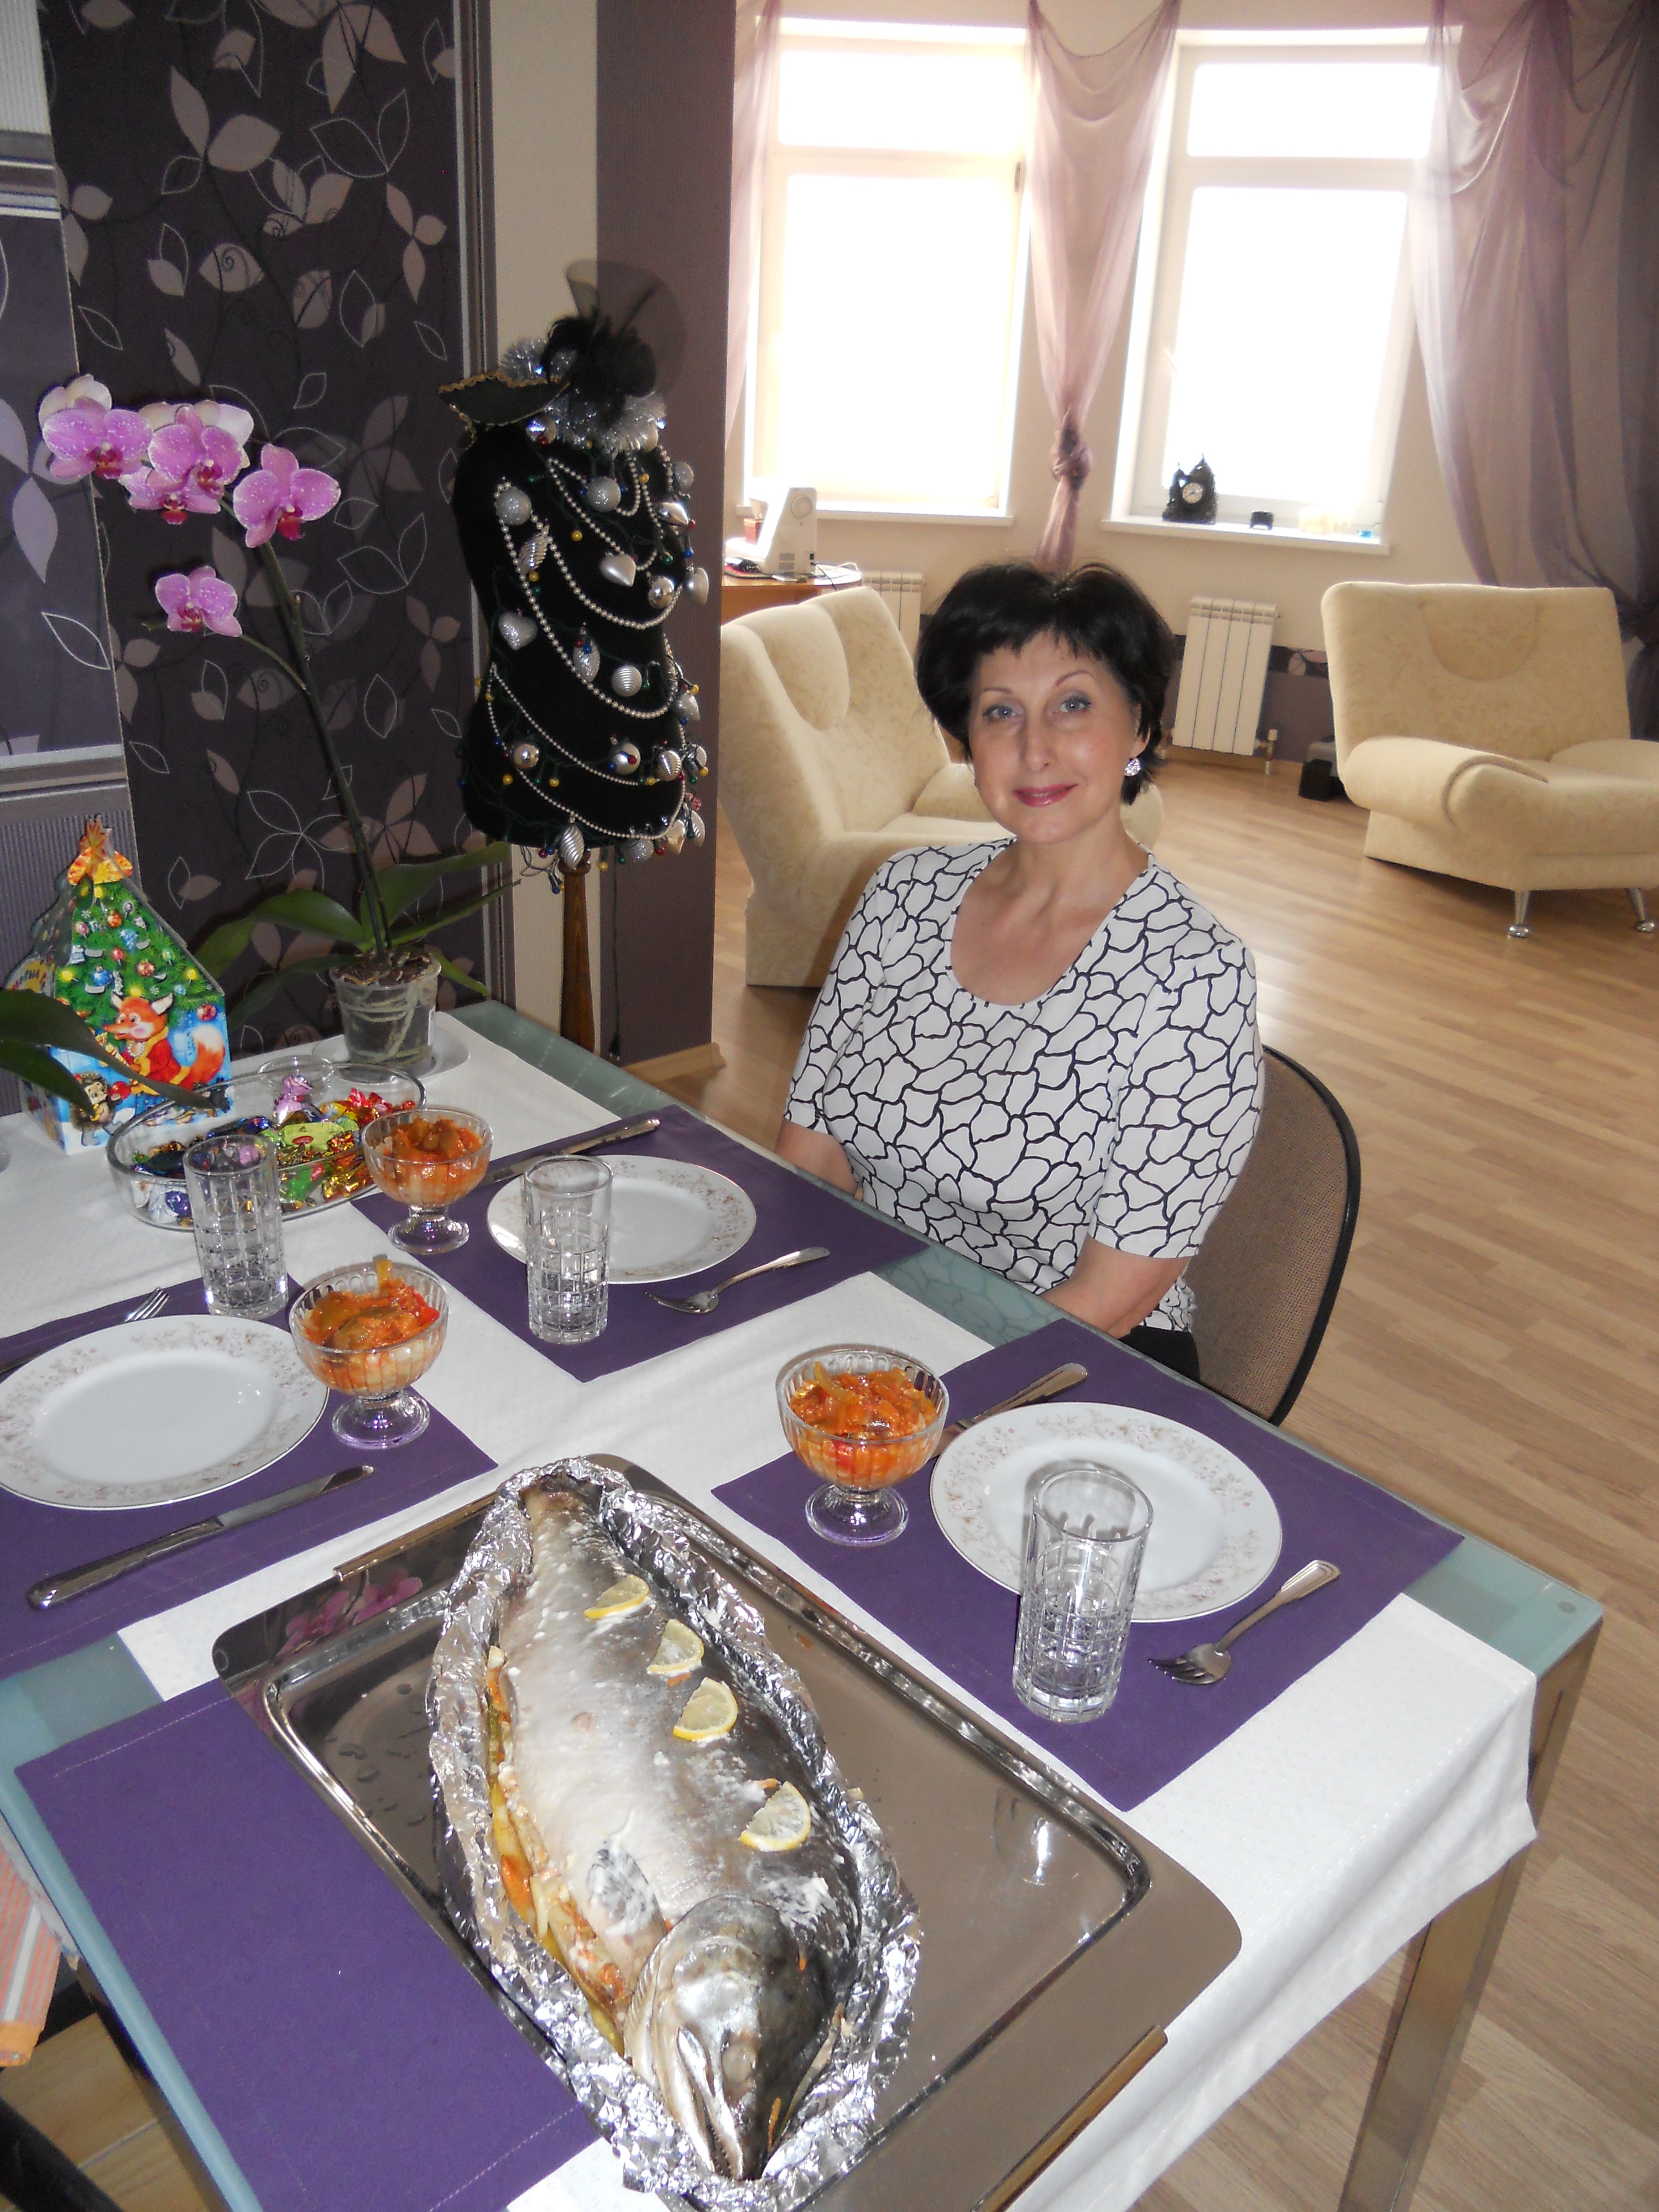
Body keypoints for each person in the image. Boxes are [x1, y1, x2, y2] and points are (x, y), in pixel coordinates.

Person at [776, 561, 1262, 1381]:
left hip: (1077, 1360)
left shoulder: (1195, 977)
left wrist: (912, 1393)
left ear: (1139, 727)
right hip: (882, 1320)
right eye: (1001, 712)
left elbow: (1112, 1298)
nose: (1035, 749)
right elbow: (809, 1159)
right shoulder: (902, 896)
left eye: (1073, 705)